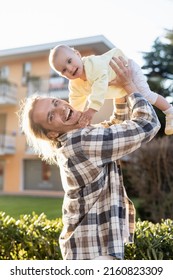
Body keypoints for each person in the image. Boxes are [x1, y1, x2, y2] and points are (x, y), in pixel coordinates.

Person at [18, 57, 160, 260]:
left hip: (86, 250)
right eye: (51, 116)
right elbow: (147, 125)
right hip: (93, 254)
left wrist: (119, 92)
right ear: (51, 133)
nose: (60, 108)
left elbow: (114, 127)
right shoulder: (81, 143)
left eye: (56, 102)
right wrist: (129, 85)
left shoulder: (73, 141)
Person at [49, 44, 173, 135]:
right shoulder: (75, 84)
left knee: (146, 95)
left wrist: (91, 110)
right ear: (62, 75)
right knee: (127, 110)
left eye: (69, 61)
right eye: (64, 70)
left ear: (77, 54)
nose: (70, 68)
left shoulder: (92, 64)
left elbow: (100, 86)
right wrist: (76, 120)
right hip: (117, 87)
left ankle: (170, 112)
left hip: (127, 68)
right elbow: (76, 101)